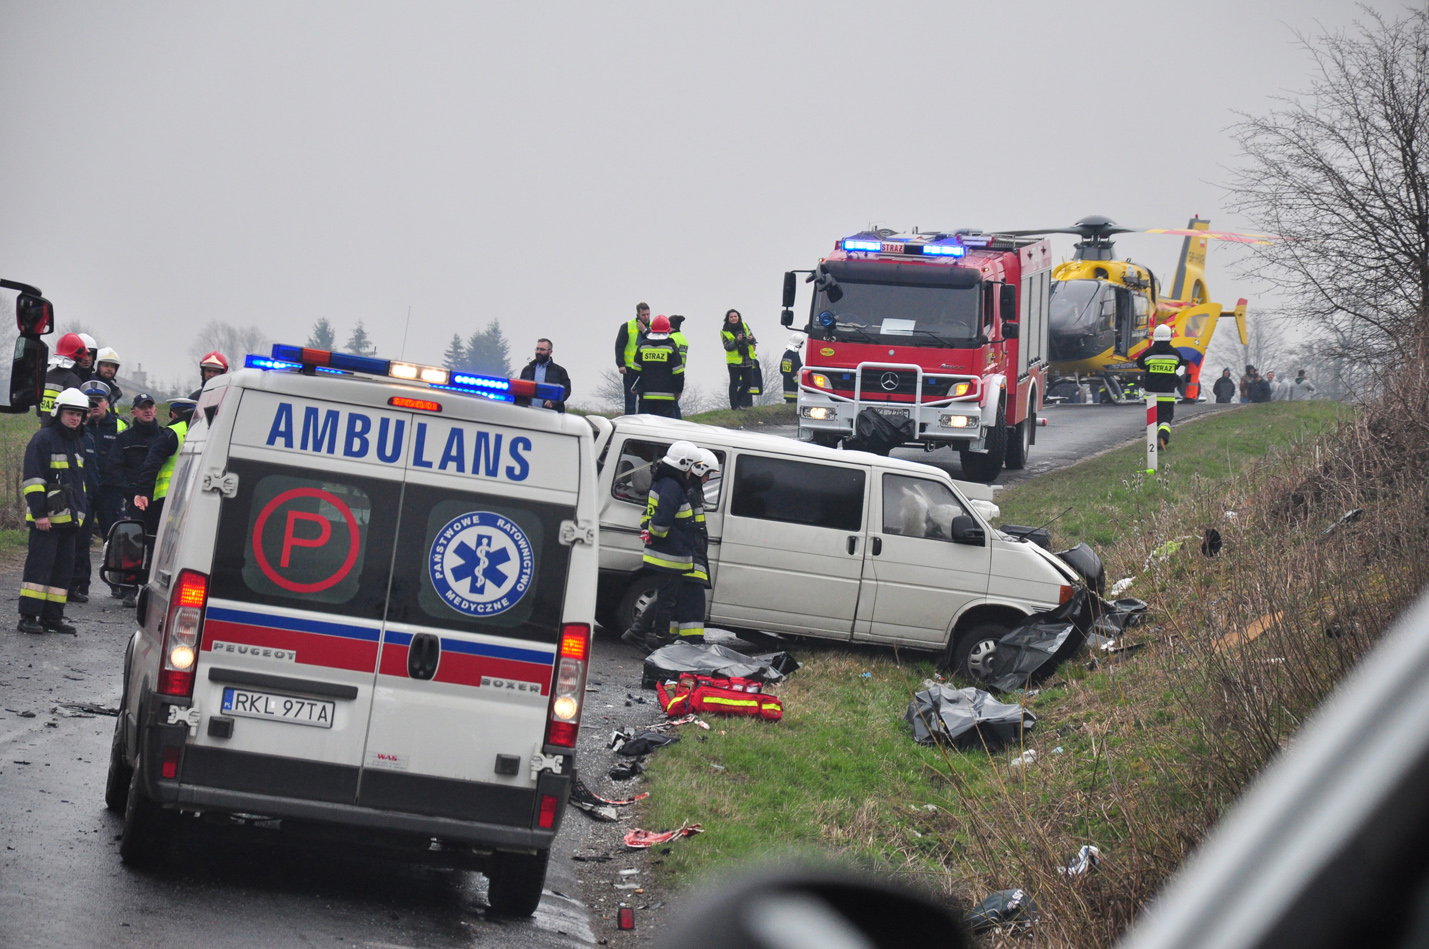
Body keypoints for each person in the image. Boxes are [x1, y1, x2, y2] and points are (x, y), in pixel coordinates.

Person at [18, 388, 89, 634]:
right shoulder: (43, 438)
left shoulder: (78, 441)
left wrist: (81, 514)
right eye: (70, 413)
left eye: (79, 414)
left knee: (62, 571)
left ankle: (52, 617)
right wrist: (39, 514)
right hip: (45, 520)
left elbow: (78, 484)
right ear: (58, 412)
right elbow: (32, 480)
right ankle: (28, 616)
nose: (75, 418)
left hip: (68, 521)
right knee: (39, 568)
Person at [621, 441, 701, 651]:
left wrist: (652, 534)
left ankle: (639, 633)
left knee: (666, 597)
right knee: (667, 601)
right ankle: (658, 641)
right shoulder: (672, 487)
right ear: (684, 465)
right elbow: (662, 522)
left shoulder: (665, 483)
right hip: (669, 554)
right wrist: (656, 535)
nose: (692, 472)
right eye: (691, 466)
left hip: (667, 553)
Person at [111, 393, 165, 607]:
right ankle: (128, 590)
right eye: (143, 407)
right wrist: (131, 493)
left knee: (158, 546)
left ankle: (152, 589)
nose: (147, 410)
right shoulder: (124, 439)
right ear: (134, 412)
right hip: (135, 500)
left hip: (161, 500)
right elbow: (114, 470)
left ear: (156, 410)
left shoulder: (164, 437)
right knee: (133, 544)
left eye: (150, 406)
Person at [70, 381, 115, 603]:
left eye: (99, 401)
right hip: (85, 492)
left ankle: (118, 584)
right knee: (81, 538)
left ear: (107, 403)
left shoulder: (119, 427)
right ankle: (80, 583)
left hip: (110, 493)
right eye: (90, 402)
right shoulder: (78, 429)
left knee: (115, 538)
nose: (95, 405)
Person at [670, 448, 720, 645]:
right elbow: (690, 532)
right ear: (699, 471)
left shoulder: (691, 492)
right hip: (691, 562)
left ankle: (675, 641)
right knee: (694, 604)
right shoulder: (690, 493)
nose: (708, 479)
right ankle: (692, 642)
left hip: (691, 559)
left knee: (678, 604)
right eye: (707, 474)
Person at [133, 398, 197, 537]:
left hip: (166, 498)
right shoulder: (203, 432)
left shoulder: (171, 433)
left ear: (173, 413)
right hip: (194, 497)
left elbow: (151, 464)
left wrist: (142, 491)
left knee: (159, 541)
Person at [1137, 323, 1187, 449]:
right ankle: (1162, 438)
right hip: (1167, 395)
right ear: (1169, 338)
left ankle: (1153, 443)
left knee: (1153, 419)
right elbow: (1179, 364)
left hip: (1151, 395)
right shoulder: (1175, 354)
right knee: (1166, 418)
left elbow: (1140, 364)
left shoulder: (1149, 353)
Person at [631, 315, 684, 417]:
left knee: (646, 428)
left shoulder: (643, 346)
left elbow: (635, 370)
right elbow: (678, 372)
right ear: (668, 330)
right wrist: (678, 390)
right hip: (667, 398)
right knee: (665, 429)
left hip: (646, 397)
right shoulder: (671, 348)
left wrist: (635, 387)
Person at [614, 304, 652, 415]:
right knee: (630, 400)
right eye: (643, 315)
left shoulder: (653, 327)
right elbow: (619, 346)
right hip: (630, 368)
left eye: (648, 314)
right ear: (638, 314)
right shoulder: (627, 326)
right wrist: (621, 364)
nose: (646, 317)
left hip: (647, 369)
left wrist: (645, 330)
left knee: (645, 400)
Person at [40, 333, 87, 423]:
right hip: (61, 432)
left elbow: (39, 408)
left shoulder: (46, 376)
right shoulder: (72, 380)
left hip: (45, 427)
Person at [516, 338, 572, 412]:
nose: (539, 352)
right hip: (528, 413)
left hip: (550, 414)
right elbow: (520, 390)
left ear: (550, 352)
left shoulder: (560, 371)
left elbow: (566, 391)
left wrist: (554, 402)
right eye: (537, 349)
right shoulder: (527, 370)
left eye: (542, 350)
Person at [721, 309, 761, 409]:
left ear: (738, 317)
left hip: (747, 359)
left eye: (735, 316)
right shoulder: (724, 331)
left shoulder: (745, 326)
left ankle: (737, 399)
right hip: (734, 362)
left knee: (748, 383)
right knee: (734, 384)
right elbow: (727, 347)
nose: (734, 318)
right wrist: (736, 340)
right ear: (728, 319)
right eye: (731, 317)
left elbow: (753, 339)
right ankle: (734, 406)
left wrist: (751, 339)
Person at [668, 315, 691, 420]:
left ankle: (678, 424)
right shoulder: (683, 338)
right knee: (675, 403)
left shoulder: (672, 338)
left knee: (671, 404)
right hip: (680, 372)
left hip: (671, 373)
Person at [780, 332, 806, 404]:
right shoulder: (795, 356)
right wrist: (800, 383)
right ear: (800, 344)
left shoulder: (786, 354)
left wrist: (787, 377)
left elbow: (781, 370)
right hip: (794, 390)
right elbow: (796, 372)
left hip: (786, 387)